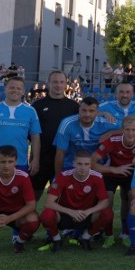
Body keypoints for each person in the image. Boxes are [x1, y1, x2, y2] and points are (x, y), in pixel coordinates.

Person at [92, 115, 135, 247]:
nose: (130, 133)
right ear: (122, 129)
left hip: (130, 174)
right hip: (111, 173)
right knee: (107, 200)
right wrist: (115, 169)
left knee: (132, 198)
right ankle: (109, 235)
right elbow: (92, 162)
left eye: (134, 130)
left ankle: (126, 233)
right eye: (127, 129)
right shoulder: (113, 140)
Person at [40, 150, 113, 252]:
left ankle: (86, 238)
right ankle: (56, 239)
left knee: (107, 214)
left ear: (90, 165)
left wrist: (89, 211)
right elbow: (48, 202)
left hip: (86, 215)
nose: (82, 167)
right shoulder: (63, 176)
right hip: (65, 215)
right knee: (46, 215)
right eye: (79, 164)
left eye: (86, 164)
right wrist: (71, 212)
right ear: (73, 163)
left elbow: (105, 202)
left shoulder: (97, 177)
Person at [0, 76, 42, 176]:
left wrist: (36, 159)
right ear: (5, 89)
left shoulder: (30, 111)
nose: (15, 90)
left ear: (23, 91)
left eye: (18, 88)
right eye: (11, 87)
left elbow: (35, 138)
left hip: (21, 164)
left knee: (19, 192)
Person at [31, 70, 80, 201]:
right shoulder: (37, 106)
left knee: (60, 198)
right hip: (41, 159)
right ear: (48, 83)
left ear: (66, 84)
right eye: (55, 82)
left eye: (61, 82)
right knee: (32, 198)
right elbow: (31, 134)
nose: (58, 85)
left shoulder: (74, 107)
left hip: (65, 160)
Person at [54, 96, 121, 173]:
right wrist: (58, 176)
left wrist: (110, 133)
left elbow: (126, 128)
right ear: (79, 110)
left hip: (97, 168)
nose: (87, 114)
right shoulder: (67, 124)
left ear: (97, 112)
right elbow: (60, 153)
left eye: (91, 111)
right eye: (84, 110)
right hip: (72, 168)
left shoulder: (105, 123)